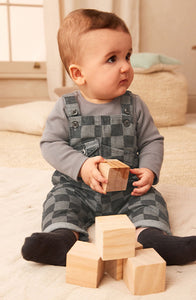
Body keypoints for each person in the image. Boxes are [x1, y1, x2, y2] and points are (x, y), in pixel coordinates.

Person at [21, 9, 196, 266]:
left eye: (127, 56)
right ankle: (61, 238)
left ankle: (152, 238)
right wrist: (81, 166)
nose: (125, 66)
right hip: (77, 188)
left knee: (151, 200)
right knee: (59, 201)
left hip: (128, 190)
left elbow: (151, 141)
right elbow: (50, 144)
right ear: (79, 74)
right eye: (112, 59)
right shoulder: (66, 107)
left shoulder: (134, 105)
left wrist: (148, 169)